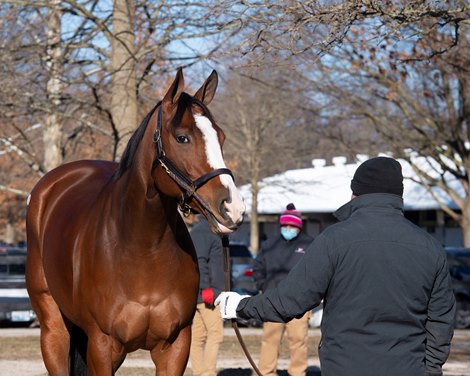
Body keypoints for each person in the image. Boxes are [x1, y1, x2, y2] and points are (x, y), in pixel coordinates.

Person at [216, 157, 456, 376]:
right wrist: (431, 369)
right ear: (398, 196)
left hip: (346, 367)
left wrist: (241, 305)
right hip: (409, 368)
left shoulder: (335, 239)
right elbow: (442, 320)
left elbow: (290, 301)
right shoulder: (430, 247)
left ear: (355, 193)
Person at [254, 203, 313, 376]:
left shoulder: (309, 244)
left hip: (299, 303)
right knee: (269, 341)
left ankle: (298, 373)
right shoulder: (269, 245)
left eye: (292, 226)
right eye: (285, 225)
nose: (288, 228)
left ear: (299, 227)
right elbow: (258, 267)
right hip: (273, 302)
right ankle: (266, 373)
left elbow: (317, 271)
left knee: (299, 342)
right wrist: (263, 286)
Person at [189, 215, 225, 376]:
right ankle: (207, 373)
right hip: (207, 295)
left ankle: (199, 373)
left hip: (201, 294)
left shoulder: (207, 231)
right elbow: (199, 261)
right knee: (215, 334)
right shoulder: (203, 232)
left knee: (198, 337)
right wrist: (206, 288)